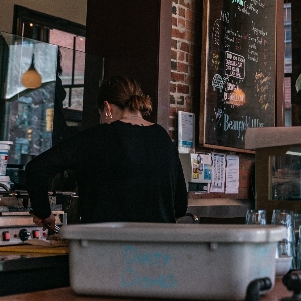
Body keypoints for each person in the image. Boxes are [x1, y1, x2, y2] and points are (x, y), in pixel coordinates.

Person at [26, 75, 188, 230]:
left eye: (101, 114)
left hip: (106, 249)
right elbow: (180, 205)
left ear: (107, 107)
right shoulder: (162, 137)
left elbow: (36, 169)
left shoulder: (98, 137)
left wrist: (44, 212)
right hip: (160, 252)